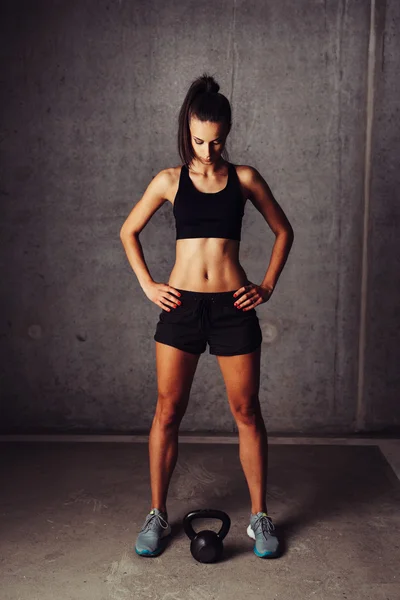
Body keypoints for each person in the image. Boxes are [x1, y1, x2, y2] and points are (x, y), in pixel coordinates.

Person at [119, 73, 294, 559]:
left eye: (217, 141)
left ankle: (260, 517)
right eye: (199, 141)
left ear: (228, 132)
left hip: (232, 308)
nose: (208, 150)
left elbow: (284, 231)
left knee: (246, 411)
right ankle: (157, 512)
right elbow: (128, 231)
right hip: (181, 307)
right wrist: (148, 284)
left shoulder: (245, 179)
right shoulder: (169, 181)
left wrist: (266, 285)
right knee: (168, 411)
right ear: (187, 131)